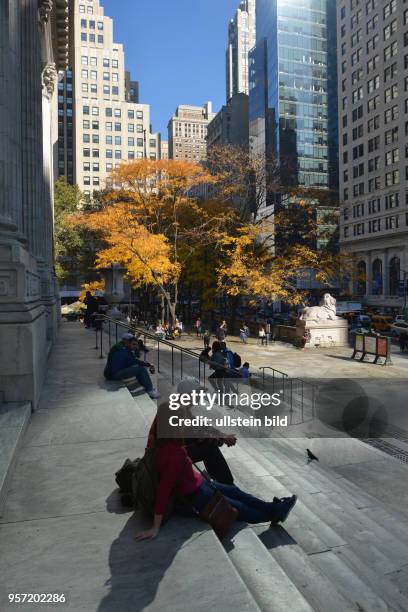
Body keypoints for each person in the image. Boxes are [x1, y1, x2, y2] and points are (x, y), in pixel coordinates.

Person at [135, 406, 297, 541]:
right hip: (197, 495)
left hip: (200, 484)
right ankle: (273, 513)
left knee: (235, 491)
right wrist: (155, 527)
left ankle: (273, 507)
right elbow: (164, 489)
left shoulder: (163, 445)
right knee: (239, 508)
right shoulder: (173, 454)